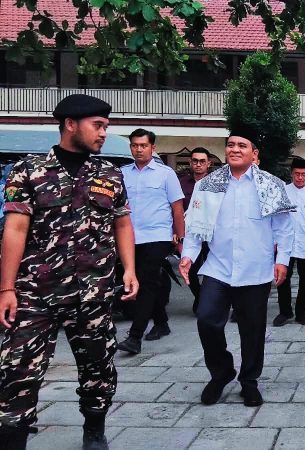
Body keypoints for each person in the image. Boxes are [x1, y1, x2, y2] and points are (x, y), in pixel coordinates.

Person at [0, 94, 139, 450]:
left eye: (106, 126)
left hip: (92, 292)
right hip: (36, 291)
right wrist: (6, 288)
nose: (104, 133)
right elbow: (14, 229)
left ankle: (94, 430)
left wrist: (129, 269)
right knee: (18, 371)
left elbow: (122, 222)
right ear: (70, 125)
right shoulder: (29, 170)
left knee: (99, 369)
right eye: (98, 125)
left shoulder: (108, 173)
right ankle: (13, 437)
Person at [179, 129, 294, 407]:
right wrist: (188, 256)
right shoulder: (208, 185)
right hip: (218, 269)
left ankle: (249, 380)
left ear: (255, 154)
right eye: (230, 145)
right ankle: (221, 373)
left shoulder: (271, 185)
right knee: (206, 319)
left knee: (252, 330)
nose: (235, 149)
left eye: (242, 145)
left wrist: (283, 261)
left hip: (256, 270)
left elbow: (285, 229)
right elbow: (195, 227)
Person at [117, 129, 185, 354]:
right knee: (146, 282)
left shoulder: (166, 174)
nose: (138, 149)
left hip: (157, 237)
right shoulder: (122, 174)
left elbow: (177, 210)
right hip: (129, 239)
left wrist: (180, 239)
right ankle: (162, 322)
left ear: (152, 148)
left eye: (143, 145)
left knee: (145, 282)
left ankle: (134, 337)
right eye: (135, 145)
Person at [274, 158, 305, 326]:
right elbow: (276, 219)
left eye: (303, 174)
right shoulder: (283, 192)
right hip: (285, 244)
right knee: (283, 279)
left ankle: (302, 312)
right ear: (291, 174)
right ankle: (285, 312)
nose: (300, 178)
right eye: (297, 174)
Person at [180, 147, 212, 313]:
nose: (198, 164)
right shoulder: (182, 183)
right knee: (190, 270)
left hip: (211, 234)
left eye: (202, 161)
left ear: (208, 163)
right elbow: (176, 209)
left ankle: (206, 301)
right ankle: (199, 298)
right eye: (195, 161)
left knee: (211, 271)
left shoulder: (215, 184)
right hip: (190, 234)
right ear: (190, 162)